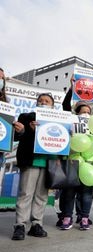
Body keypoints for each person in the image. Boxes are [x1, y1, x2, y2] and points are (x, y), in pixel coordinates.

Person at [57, 84, 93, 230]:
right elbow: (65, 106)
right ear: (77, 112)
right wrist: (71, 88)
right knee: (69, 192)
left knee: (86, 194)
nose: (87, 113)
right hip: (73, 160)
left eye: (89, 111)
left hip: (90, 161)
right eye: (83, 111)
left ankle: (84, 217)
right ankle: (66, 217)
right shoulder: (71, 119)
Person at [11, 93, 56, 240]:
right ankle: (20, 225)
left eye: (47, 101)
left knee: (42, 195)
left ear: (52, 106)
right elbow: (17, 136)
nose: (43, 102)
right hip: (30, 160)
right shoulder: (25, 117)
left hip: (47, 162)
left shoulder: (57, 120)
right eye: (40, 100)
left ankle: (37, 224)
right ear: (36, 103)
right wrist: (26, 130)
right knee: (25, 194)